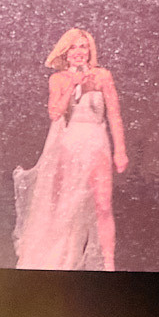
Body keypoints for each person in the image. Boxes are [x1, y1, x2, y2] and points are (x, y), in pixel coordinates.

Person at [11, 27, 127, 271]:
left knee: (103, 204)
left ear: (90, 50)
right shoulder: (58, 79)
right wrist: (72, 85)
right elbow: (55, 113)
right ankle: (60, 255)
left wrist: (120, 150)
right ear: (65, 51)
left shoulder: (102, 76)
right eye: (73, 47)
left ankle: (109, 263)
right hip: (70, 145)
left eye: (83, 46)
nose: (78, 52)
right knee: (64, 205)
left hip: (97, 143)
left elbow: (114, 114)